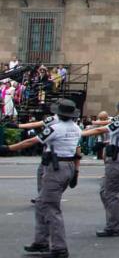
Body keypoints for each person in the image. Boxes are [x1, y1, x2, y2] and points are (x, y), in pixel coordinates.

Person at [1, 99, 81, 258]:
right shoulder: (77, 128)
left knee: (51, 208)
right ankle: (41, 241)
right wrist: (76, 173)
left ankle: (59, 248)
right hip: (68, 166)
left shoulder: (55, 128)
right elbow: (78, 151)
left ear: (59, 113)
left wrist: (8, 148)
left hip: (56, 168)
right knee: (41, 204)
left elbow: (32, 140)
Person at [83, 99, 119, 238]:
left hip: (117, 158)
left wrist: (81, 134)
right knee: (105, 190)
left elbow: (104, 129)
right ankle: (118, 220)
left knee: (109, 193)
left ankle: (113, 226)